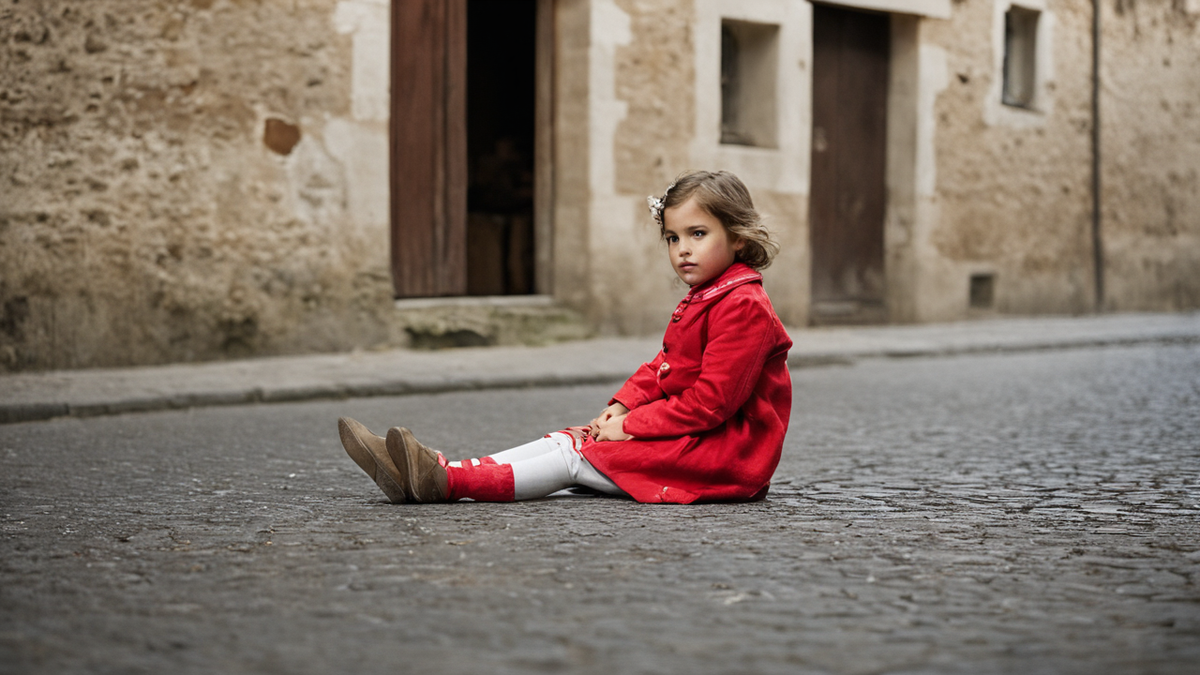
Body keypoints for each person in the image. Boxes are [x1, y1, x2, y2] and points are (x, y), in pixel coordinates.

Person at [338, 170, 793, 505]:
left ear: (737, 237)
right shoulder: (710, 295)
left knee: (576, 459)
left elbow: (711, 402)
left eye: (698, 234)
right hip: (693, 437)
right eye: (673, 238)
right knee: (568, 439)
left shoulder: (743, 305)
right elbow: (665, 364)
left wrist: (630, 427)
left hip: (724, 456)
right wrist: (624, 404)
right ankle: (431, 470)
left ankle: (449, 483)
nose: (683, 250)